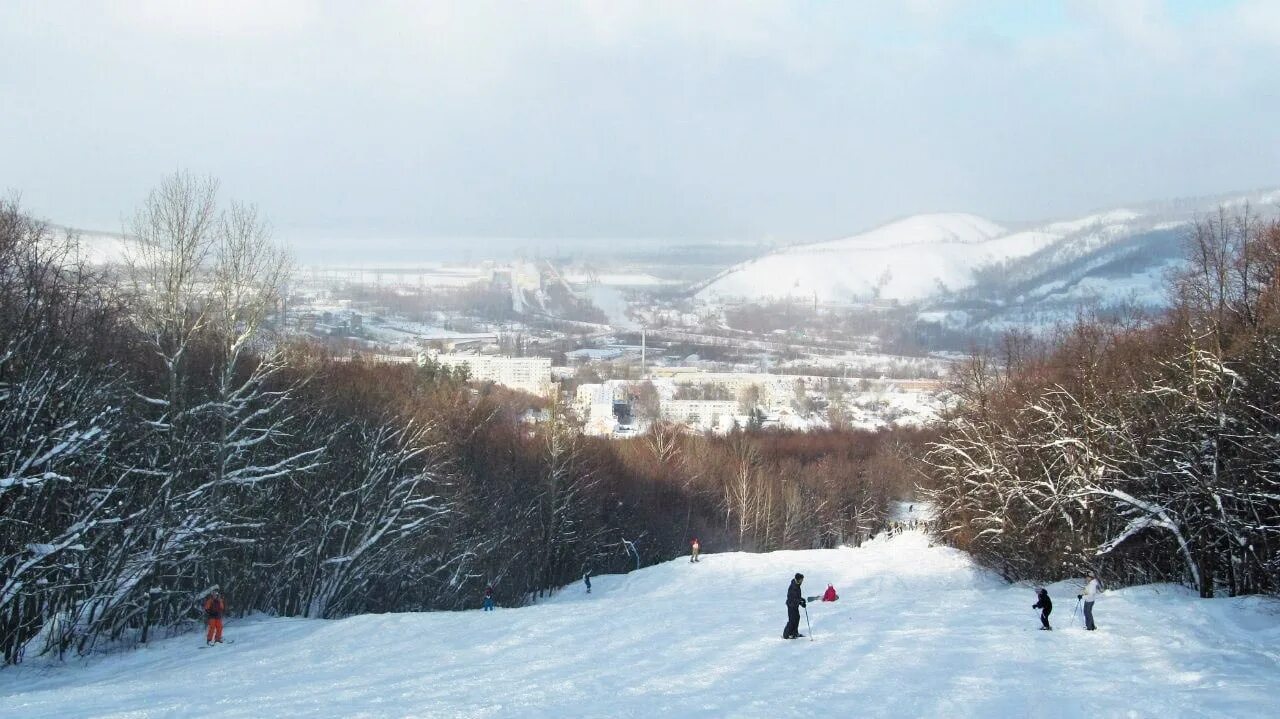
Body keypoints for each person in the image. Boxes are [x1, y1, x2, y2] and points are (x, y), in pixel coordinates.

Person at [782, 573, 807, 639]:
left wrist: (801, 599)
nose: (802, 581)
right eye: (801, 580)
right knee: (792, 620)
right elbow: (792, 598)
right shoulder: (793, 587)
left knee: (797, 618)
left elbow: (797, 597)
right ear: (798, 579)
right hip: (791, 605)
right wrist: (800, 602)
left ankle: (794, 633)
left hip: (795, 605)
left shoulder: (797, 585)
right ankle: (786, 635)